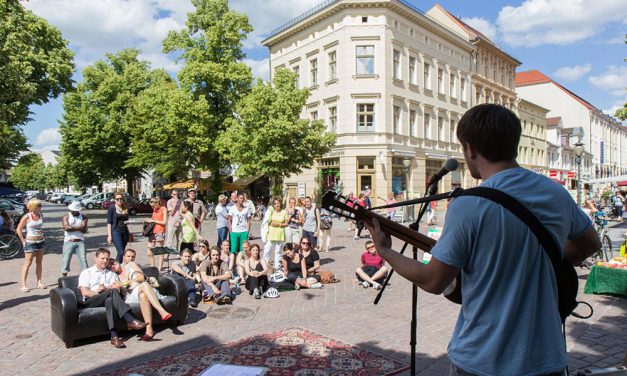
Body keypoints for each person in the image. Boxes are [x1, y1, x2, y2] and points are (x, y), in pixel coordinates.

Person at [365, 104, 600, 376]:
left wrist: (385, 251)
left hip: (484, 359)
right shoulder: (555, 192)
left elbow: (433, 280)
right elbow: (590, 243)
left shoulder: (469, 205)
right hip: (546, 358)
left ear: (470, 149)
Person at [78, 248, 147, 348]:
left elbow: (117, 290)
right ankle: (130, 319)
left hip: (108, 298)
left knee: (110, 299)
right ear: (95, 258)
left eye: (107, 259)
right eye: (102, 258)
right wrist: (99, 292)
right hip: (91, 300)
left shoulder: (112, 274)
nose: (105, 261)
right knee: (111, 293)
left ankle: (114, 337)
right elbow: (85, 292)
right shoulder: (87, 272)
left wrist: (109, 289)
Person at [109, 258, 171, 341]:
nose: (113, 266)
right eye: (110, 266)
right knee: (144, 285)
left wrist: (125, 283)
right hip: (130, 297)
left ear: (118, 261)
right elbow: (116, 291)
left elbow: (141, 277)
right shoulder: (114, 277)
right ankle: (161, 311)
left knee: (143, 295)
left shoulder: (130, 265)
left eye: (113, 263)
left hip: (145, 291)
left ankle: (149, 331)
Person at [16, 198, 46, 292]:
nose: (40, 207)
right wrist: (23, 240)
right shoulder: (27, 216)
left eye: (40, 205)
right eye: (39, 205)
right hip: (30, 242)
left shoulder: (41, 214)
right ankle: (23, 284)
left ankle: (39, 282)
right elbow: (18, 229)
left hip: (40, 241)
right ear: (34, 206)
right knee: (28, 262)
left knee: (39, 262)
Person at [61, 201, 89, 277]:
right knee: (66, 260)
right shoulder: (66, 216)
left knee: (83, 259)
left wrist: (72, 227)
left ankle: (85, 277)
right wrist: (79, 228)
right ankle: (64, 277)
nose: (73, 211)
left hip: (80, 240)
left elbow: (84, 229)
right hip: (69, 240)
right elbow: (66, 228)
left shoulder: (83, 217)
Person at [262, 198, 288, 272]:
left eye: (278, 203)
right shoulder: (271, 211)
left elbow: (286, 224)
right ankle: (264, 266)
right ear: (273, 205)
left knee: (278, 252)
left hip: (280, 234)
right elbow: (267, 221)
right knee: (267, 250)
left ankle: (277, 268)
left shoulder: (284, 212)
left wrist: (279, 224)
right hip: (270, 233)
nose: (277, 205)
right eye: (275, 203)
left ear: (280, 203)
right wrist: (271, 223)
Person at [107, 193, 130, 263]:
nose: (119, 200)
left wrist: (128, 222)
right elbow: (109, 223)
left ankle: (119, 268)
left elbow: (126, 219)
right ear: (115, 200)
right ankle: (115, 268)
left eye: (121, 199)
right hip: (116, 231)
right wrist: (109, 236)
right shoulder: (112, 208)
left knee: (122, 252)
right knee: (120, 252)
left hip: (125, 231)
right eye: (117, 199)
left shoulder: (125, 207)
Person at [146, 197, 167, 271]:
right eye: (151, 206)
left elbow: (164, 222)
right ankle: (153, 267)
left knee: (159, 250)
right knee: (149, 251)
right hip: (152, 231)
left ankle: (159, 268)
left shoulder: (163, 209)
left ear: (157, 203)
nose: (152, 207)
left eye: (153, 205)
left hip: (160, 231)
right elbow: (153, 219)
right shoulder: (154, 209)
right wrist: (149, 220)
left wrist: (154, 221)